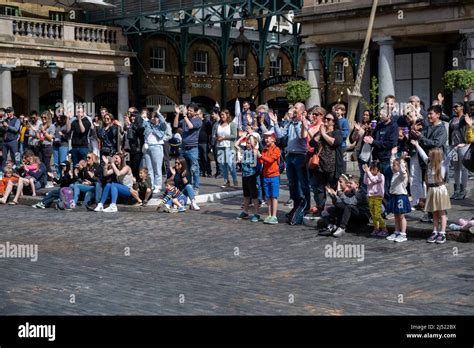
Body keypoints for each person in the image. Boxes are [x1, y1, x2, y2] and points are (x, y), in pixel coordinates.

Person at [273, 102, 311, 211]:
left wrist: (298, 121)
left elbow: (301, 136)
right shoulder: (290, 123)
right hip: (290, 155)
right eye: (293, 108)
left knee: (303, 183)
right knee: (292, 183)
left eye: (296, 108)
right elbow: (280, 135)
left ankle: (306, 206)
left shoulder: (304, 123)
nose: (293, 110)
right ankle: (296, 206)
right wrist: (275, 123)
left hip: (300, 155)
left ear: (302, 111)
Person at [412, 141, 451, 244]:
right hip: (432, 190)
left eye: (430, 156)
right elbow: (423, 154)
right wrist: (417, 145)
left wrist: (456, 148)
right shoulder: (428, 164)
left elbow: (448, 157)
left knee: (441, 212)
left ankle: (442, 233)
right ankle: (435, 231)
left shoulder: (442, 165)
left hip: (440, 190)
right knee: (434, 212)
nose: (428, 157)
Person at [309, 112, 344, 213]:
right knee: (319, 189)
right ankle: (320, 207)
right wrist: (320, 133)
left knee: (334, 188)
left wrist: (324, 134)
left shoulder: (337, 132)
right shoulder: (320, 132)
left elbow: (335, 142)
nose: (326, 121)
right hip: (319, 166)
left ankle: (338, 208)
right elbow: (312, 143)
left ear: (334, 122)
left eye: (329, 119)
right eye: (325, 118)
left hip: (332, 166)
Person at [173, 103, 202, 195]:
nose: (188, 112)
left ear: (196, 112)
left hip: (193, 149)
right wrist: (177, 113)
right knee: (184, 169)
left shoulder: (198, 120)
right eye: (188, 110)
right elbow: (175, 125)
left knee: (194, 169)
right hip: (183, 148)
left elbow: (191, 126)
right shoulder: (185, 119)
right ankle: (187, 186)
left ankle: (196, 188)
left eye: (191, 111)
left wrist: (185, 116)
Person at [384, 148, 411, 242]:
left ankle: (403, 234)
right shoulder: (395, 173)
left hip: (401, 197)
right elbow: (392, 163)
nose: (393, 167)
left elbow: (403, 171)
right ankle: (396, 231)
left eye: (396, 166)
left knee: (401, 216)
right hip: (394, 196)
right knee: (396, 215)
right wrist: (393, 154)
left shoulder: (402, 175)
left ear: (400, 166)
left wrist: (402, 161)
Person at [235, 134, 260, 222]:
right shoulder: (244, 151)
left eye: (249, 143)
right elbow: (236, 145)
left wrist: (251, 136)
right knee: (246, 195)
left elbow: (254, 146)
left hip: (252, 176)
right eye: (247, 143)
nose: (248, 144)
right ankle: (245, 211)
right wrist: (243, 137)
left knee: (254, 196)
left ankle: (256, 213)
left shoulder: (255, 151)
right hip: (244, 176)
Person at [257, 130, 281, 224]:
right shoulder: (264, 149)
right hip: (266, 176)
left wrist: (260, 156)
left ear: (274, 139)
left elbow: (271, 160)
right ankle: (269, 215)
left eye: (269, 137)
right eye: (265, 137)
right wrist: (258, 157)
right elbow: (262, 162)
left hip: (274, 176)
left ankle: (274, 216)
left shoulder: (277, 149)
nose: (266, 139)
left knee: (274, 196)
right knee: (268, 197)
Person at [143, 106, 168, 194]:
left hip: (157, 146)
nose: (153, 118)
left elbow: (163, 122)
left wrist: (158, 112)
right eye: (152, 117)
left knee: (157, 168)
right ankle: (152, 185)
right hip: (147, 147)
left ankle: (158, 186)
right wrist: (144, 115)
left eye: (155, 117)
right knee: (149, 168)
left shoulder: (161, 126)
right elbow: (142, 122)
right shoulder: (148, 124)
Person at [213, 109, 238, 188]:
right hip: (220, 146)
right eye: (221, 115)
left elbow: (234, 135)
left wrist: (224, 138)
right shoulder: (217, 124)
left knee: (230, 164)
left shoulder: (232, 124)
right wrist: (217, 138)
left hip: (229, 147)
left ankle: (235, 180)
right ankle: (226, 181)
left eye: (223, 114)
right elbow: (213, 135)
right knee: (223, 165)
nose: (221, 116)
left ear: (227, 115)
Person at [449, 103, 469, 199]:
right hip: (454, 146)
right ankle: (456, 190)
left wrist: (466, 100)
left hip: (463, 145)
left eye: (456, 106)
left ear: (462, 108)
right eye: (454, 106)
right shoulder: (453, 119)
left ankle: (463, 190)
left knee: (463, 168)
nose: (454, 108)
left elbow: (468, 110)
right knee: (456, 168)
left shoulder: (465, 118)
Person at [362, 161, 387, 237]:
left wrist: (368, 172)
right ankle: (376, 228)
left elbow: (374, 180)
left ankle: (384, 229)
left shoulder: (381, 176)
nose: (372, 171)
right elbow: (365, 182)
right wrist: (366, 173)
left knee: (377, 214)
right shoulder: (370, 175)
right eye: (371, 169)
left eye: (374, 169)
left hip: (378, 197)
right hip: (370, 197)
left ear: (378, 169)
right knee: (373, 214)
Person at [35, 111, 55, 183]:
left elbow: (50, 138)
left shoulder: (51, 126)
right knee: (41, 164)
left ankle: (50, 180)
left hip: (47, 147)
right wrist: (37, 133)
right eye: (42, 117)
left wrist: (43, 131)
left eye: (45, 117)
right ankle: (43, 179)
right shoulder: (40, 125)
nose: (43, 119)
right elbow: (38, 136)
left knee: (47, 164)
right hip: (40, 145)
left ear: (48, 118)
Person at [198, 110, 212, 177]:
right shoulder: (196, 122)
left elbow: (209, 133)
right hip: (197, 142)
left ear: (201, 114)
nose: (197, 116)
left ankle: (208, 171)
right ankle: (202, 171)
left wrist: (209, 142)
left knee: (206, 158)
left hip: (205, 142)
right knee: (200, 158)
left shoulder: (206, 122)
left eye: (198, 114)